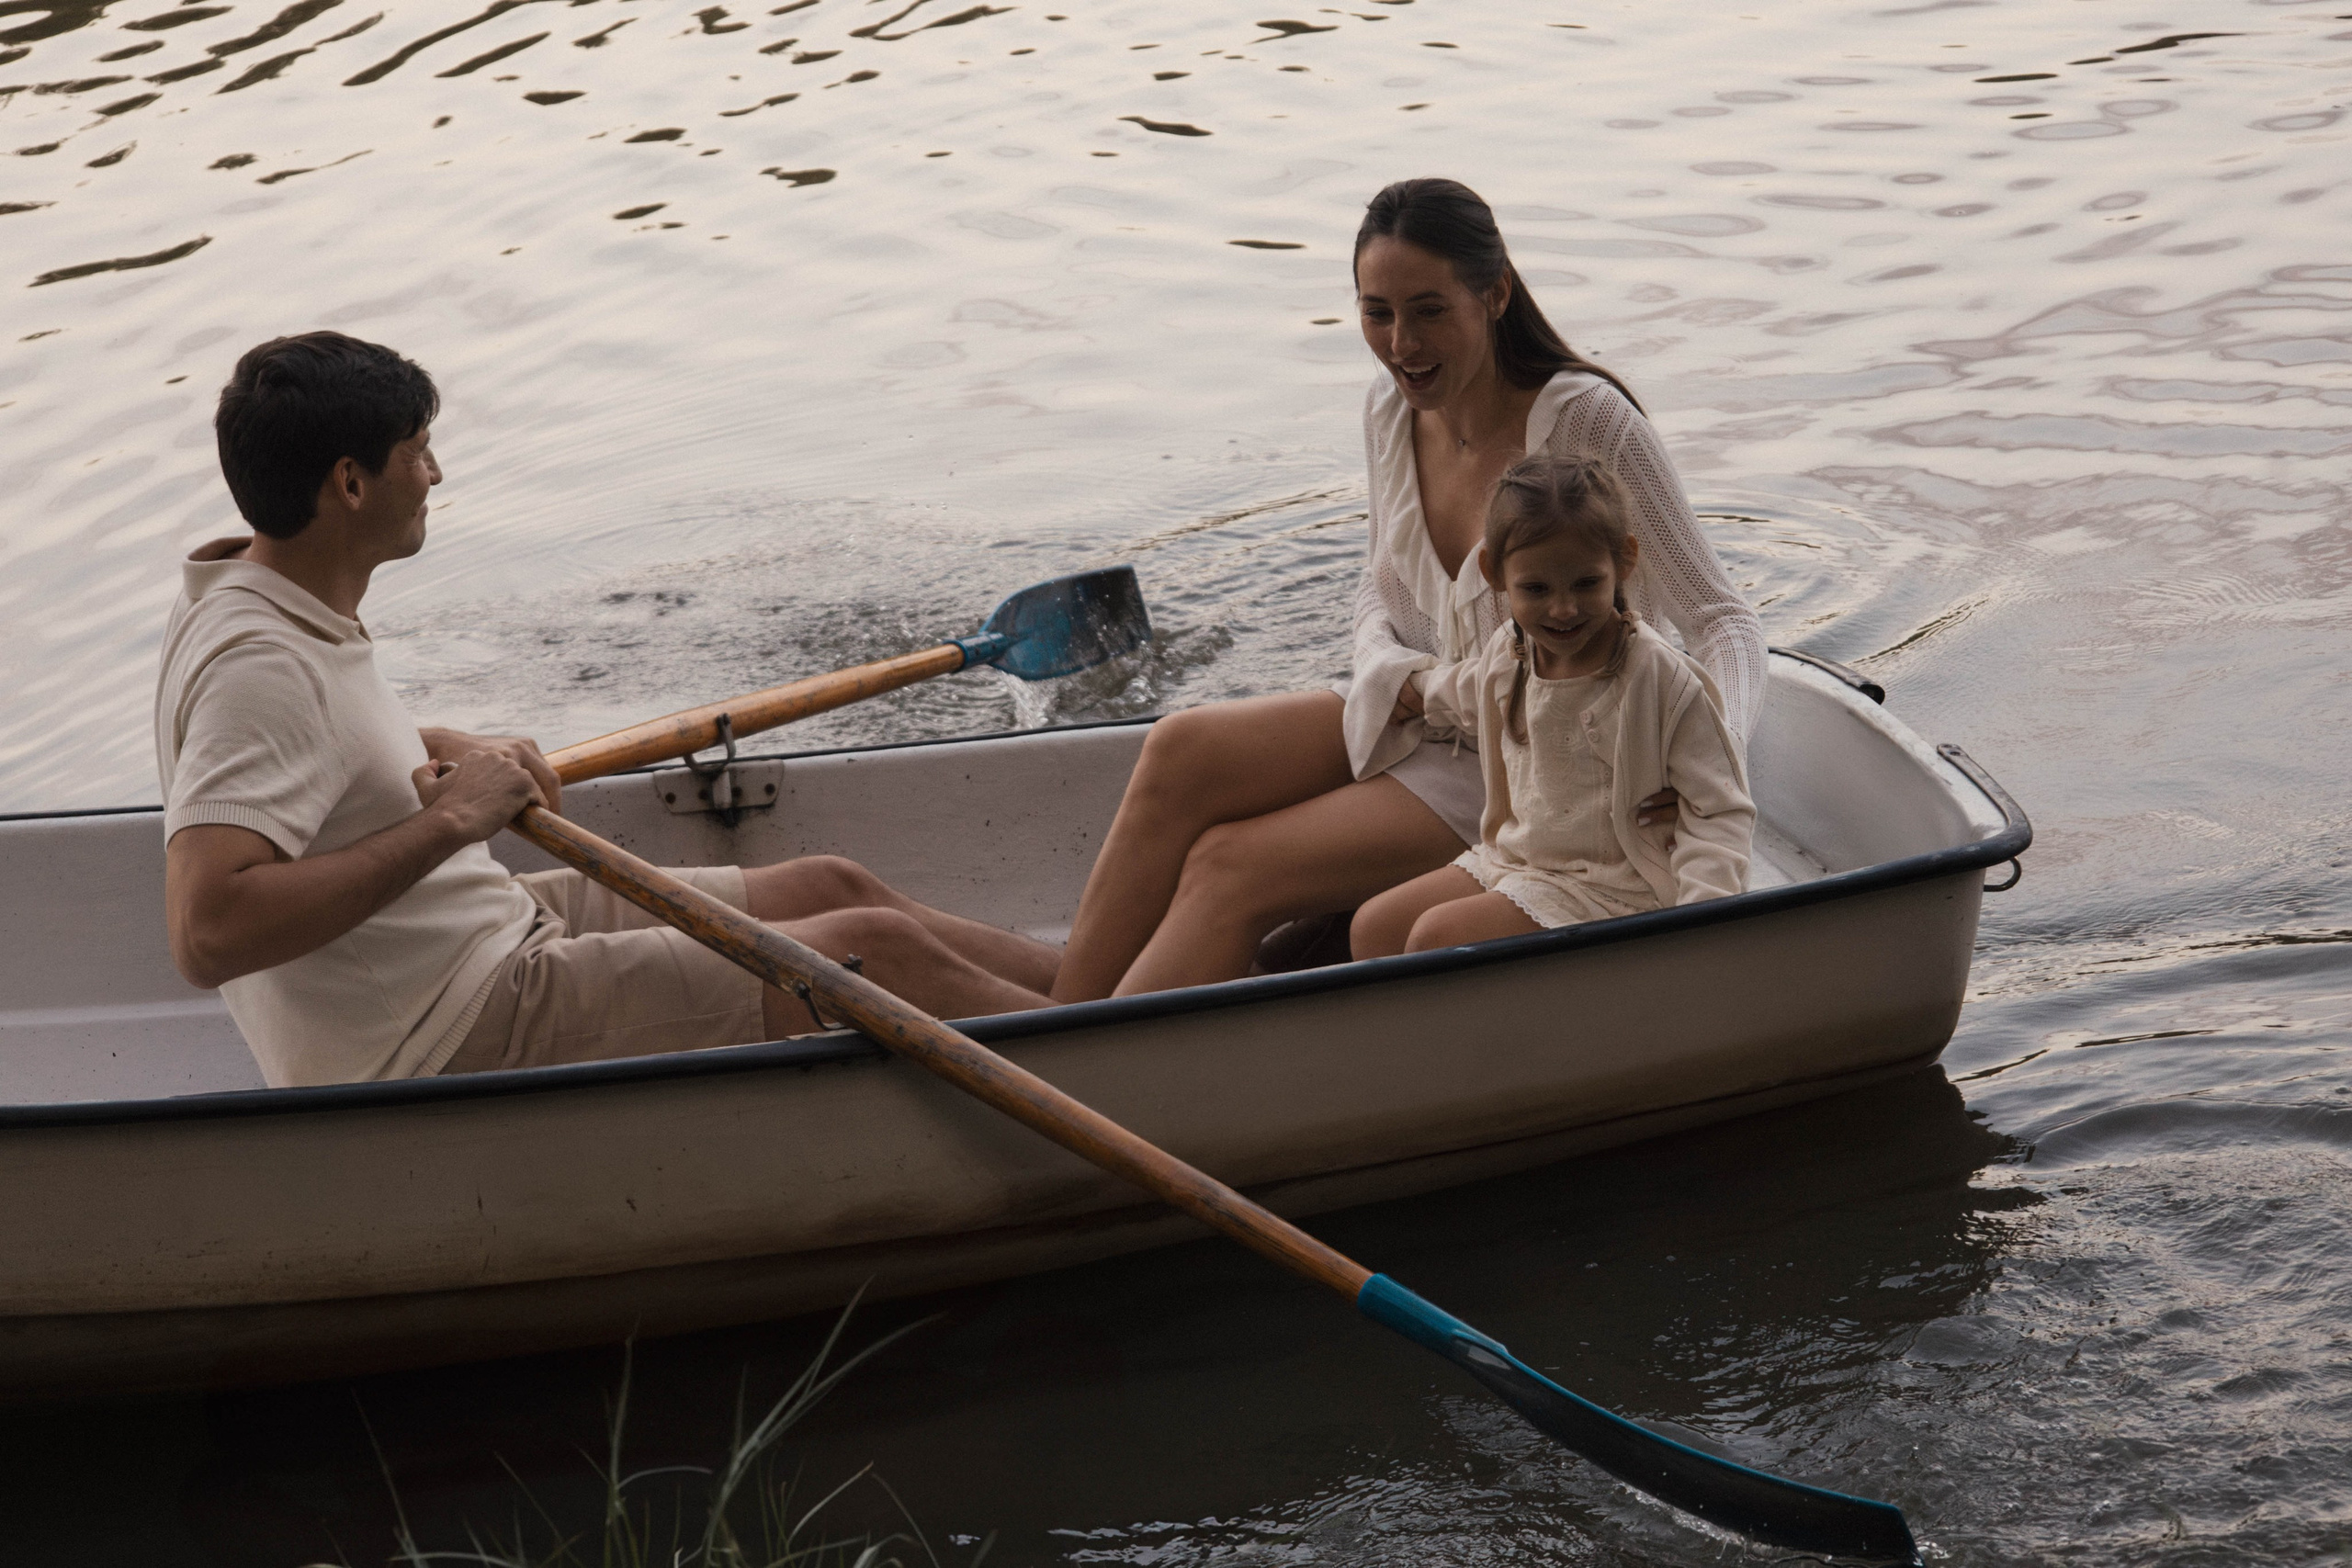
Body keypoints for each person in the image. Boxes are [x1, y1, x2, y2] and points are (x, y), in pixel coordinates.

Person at [158, 331, 1057, 1089]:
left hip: (472, 934)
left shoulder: (257, 590)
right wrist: (452, 824)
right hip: (437, 1028)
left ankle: (1117, 994)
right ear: (350, 484)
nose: (435, 472)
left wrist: (436, 745)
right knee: (871, 948)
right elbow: (210, 932)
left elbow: (314, 747)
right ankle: (1129, 1054)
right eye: (416, 450)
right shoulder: (258, 662)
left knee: (834, 889)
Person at [1050, 177, 1766, 1000]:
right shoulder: (1389, 413)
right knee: (1181, 748)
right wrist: (1400, 676)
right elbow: (1378, 588)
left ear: (1494, 294)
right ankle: (1066, 1010)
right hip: (1428, 703)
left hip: (1537, 750)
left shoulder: (1586, 421)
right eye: (1377, 313)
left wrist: (1712, 761)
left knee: (1230, 863)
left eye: (1429, 310)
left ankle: (1094, 1058)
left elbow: (1724, 621)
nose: (1402, 344)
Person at [1350, 455, 1753, 958]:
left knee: (1438, 938)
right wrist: (1411, 691)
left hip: (1615, 888)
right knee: (1374, 926)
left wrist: (1703, 921)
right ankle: (1396, 1037)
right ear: (1494, 573)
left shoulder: (1658, 677)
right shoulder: (1511, 652)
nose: (1563, 609)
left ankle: (1457, 1034)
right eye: (1536, 588)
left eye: (1586, 583)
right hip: (1516, 858)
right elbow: (1466, 690)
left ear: (1624, 562)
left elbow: (1721, 810)